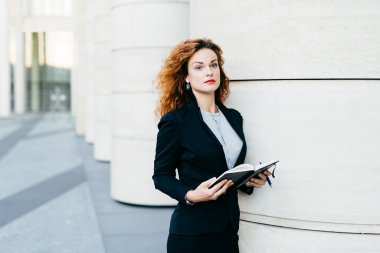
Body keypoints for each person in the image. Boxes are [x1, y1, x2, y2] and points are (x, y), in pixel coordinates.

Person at [152, 38, 271, 253]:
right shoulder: (176, 122)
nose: (209, 72)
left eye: (213, 64)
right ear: (187, 76)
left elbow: (225, 171)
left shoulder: (234, 118)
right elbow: (161, 177)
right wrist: (191, 195)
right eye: (199, 67)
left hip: (228, 229)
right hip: (192, 233)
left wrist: (249, 181)